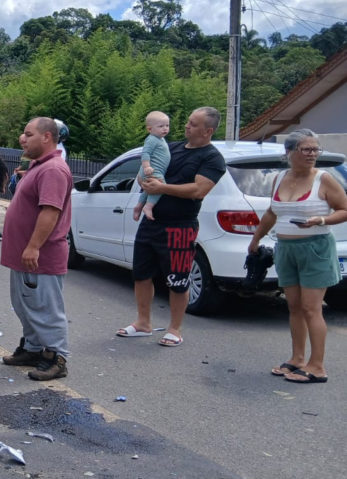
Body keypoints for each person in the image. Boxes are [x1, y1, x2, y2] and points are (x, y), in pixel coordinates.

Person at [116, 107, 227, 346]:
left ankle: (175, 329)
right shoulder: (170, 146)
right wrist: (143, 179)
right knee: (141, 274)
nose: (187, 125)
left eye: (193, 124)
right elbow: (148, 168)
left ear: (208, 131)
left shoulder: (212, 157)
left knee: (178, 279)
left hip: (180, 225)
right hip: (151, 220)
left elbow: (199, 189)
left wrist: (162, 188)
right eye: (188, 121)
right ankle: (143, 323)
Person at [248, 130, 347, 383]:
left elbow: (344, 209)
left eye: (316, 149)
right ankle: (298, 358)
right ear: (289, 152)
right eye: (306, 149)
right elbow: (272, 212)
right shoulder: (279, 177)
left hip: (315, 248)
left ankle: (318, 367)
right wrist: (256, 239)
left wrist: (320, 220)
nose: (312, 154)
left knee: (311, 308)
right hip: (286, 248)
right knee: (294, 307)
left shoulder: (324, 179)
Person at [0, 117, 73, 381]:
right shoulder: (38, 166)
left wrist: (33, 247)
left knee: (46, 310)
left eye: (28, 134)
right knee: (26, 306)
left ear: (47, 137)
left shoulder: (52, 169)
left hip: (40, 256)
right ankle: (32, 349)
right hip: (25, 256)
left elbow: (50, 212)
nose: (23, 139)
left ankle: (56, 358)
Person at [133, 111, 172, 222]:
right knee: (161, 186)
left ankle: (138, 206)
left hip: (155, 170)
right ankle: (148, 207)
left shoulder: (160, 139)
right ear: (150, 129)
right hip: (152, 170)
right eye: (161, 126)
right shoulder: (152, 139)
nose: (165, 128)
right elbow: (145, 153)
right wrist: (146, 167)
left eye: (167, 125)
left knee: (149, 190)